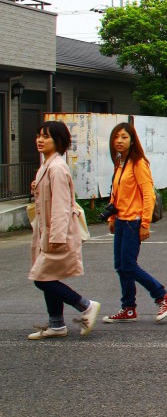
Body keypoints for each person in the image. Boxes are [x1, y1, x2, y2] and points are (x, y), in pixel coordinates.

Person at [27, 121, 101, 339]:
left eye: (46, 137)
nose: (40, 140)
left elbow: (60, 204)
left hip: (55, 232)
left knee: (42, 278)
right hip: (48, 231)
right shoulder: (48, 165)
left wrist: (56, 236)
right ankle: (57, 324)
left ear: (58, 141)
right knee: (49, 276)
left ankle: (85, 306)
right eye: (39, 135)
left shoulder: (57, 167)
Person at [102, 122, 167, 323]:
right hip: (121, 221)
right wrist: (111, 217)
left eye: (124, 137)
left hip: (133, 222)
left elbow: (148, 195)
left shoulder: (138, 163)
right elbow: (115, 193)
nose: (119, 140)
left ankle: (162, 297)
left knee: (129, 265)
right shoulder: (120, 163)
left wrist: (145, 223)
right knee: (120, 265)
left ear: (132, 140)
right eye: (116, 136)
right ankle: (128, 308)